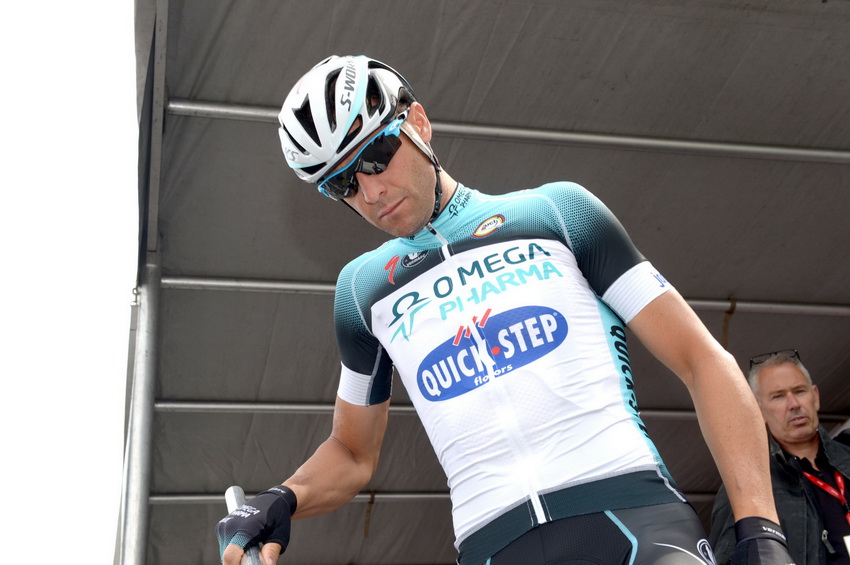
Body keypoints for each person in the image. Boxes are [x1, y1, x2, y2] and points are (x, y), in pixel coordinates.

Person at [216, 54, 794, 565]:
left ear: (418, 123)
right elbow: (351, 452)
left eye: (375, 156)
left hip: (632, 515)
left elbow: (701, 359)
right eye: (341, 183)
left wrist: (761, 529)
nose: (370, 192)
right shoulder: (362, 290)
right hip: (493, 544)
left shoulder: (556, 213)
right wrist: (282, 498)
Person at [710, 349, 850, 564]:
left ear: (815, 397)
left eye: (799, 391)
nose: (794, 404)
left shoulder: (846, 452)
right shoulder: (750, 485)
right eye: (778, 396)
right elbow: (728, 558)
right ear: (758, 411)